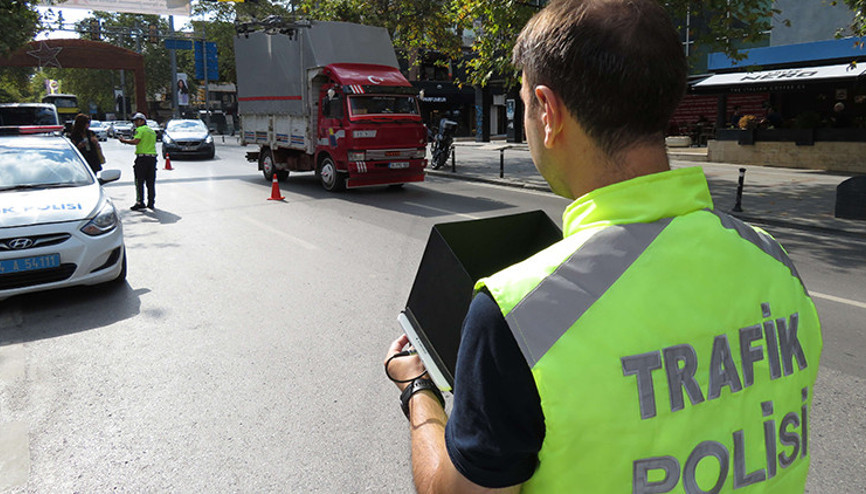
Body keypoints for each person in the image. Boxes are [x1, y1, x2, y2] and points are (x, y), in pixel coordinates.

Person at [384, 1, 822, 492]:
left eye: (525, 101)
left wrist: (416, 389)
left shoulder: (517, 316)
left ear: (548, 112)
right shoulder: (774, 263)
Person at [119, 112, 157, 211]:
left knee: (139, 181)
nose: (135, 123)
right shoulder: (152, 131)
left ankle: (140, 202)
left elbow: (136, 141)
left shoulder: (139, 130)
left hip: (142, 159)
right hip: (152, 159)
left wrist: (124, 141)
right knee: (150, 182)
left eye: (136, 121)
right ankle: (151, 202)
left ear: (142, 121)